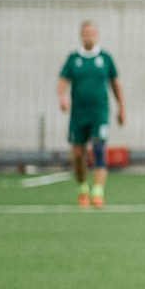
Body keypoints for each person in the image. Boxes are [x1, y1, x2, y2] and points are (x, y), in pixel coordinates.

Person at [57, 21, 125, 208]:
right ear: (81, 35)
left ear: (97, 35)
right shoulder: (73, 58)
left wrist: (121, 107)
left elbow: (115, 84)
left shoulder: (105, 58)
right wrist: (62, 97)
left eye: (92, 32)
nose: (89, 35)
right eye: (86, 33)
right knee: (78, 153)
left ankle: (98, 192)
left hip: (99, 112)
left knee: (98, 148)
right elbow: (62, 80)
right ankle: (82, 189)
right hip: (78, 114)